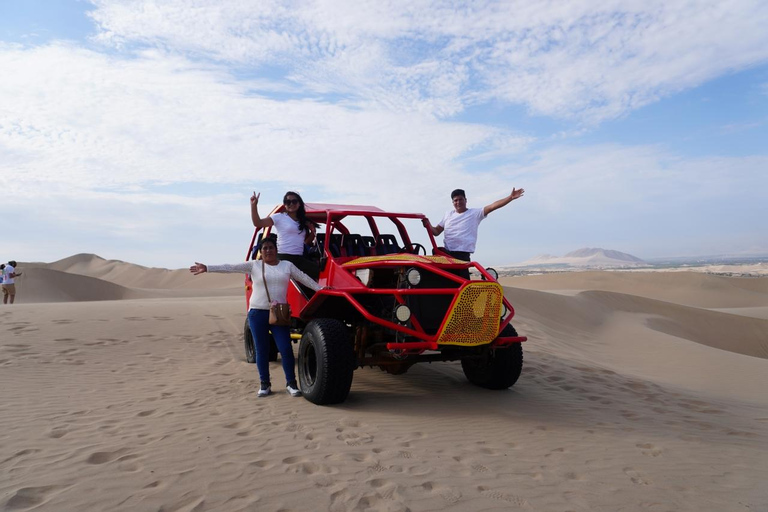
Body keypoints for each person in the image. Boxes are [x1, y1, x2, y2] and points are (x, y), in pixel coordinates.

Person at [190, 235, 321, 398]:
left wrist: (320, 289)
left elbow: (304, 278)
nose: (268, 251)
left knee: (286, 349)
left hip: (279, 314)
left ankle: (291, 384)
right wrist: (207, 267)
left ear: (276, 250)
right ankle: (264, 384)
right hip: (257, 313)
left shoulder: (287, 266)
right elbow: (230, 267)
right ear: (260, 252)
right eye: (264, 248)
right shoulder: (254, 266)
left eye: (271, 247)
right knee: (262, 350)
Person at [423, 188, 525, 277]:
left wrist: (510, 197)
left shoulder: (474, 213)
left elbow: (492, 206)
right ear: (452, 202)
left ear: (466, 200)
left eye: (460, 199)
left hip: (462, 256)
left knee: (463, 283)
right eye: (455, 200)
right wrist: (428, 225)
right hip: (447, 255)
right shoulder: (448, 215)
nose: (458, 202)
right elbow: (436, 232)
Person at [251, 191, 318, 280]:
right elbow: (258, 223)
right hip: (284, 257)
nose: (291, 204)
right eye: (288, 202)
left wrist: (313, 232)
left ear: (299, 204)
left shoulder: (303, 221)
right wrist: (253, 206)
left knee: (319, 272)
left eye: (294, 201)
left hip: (299, 258)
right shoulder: (279, 217)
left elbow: (305, 242)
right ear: (285, 205)